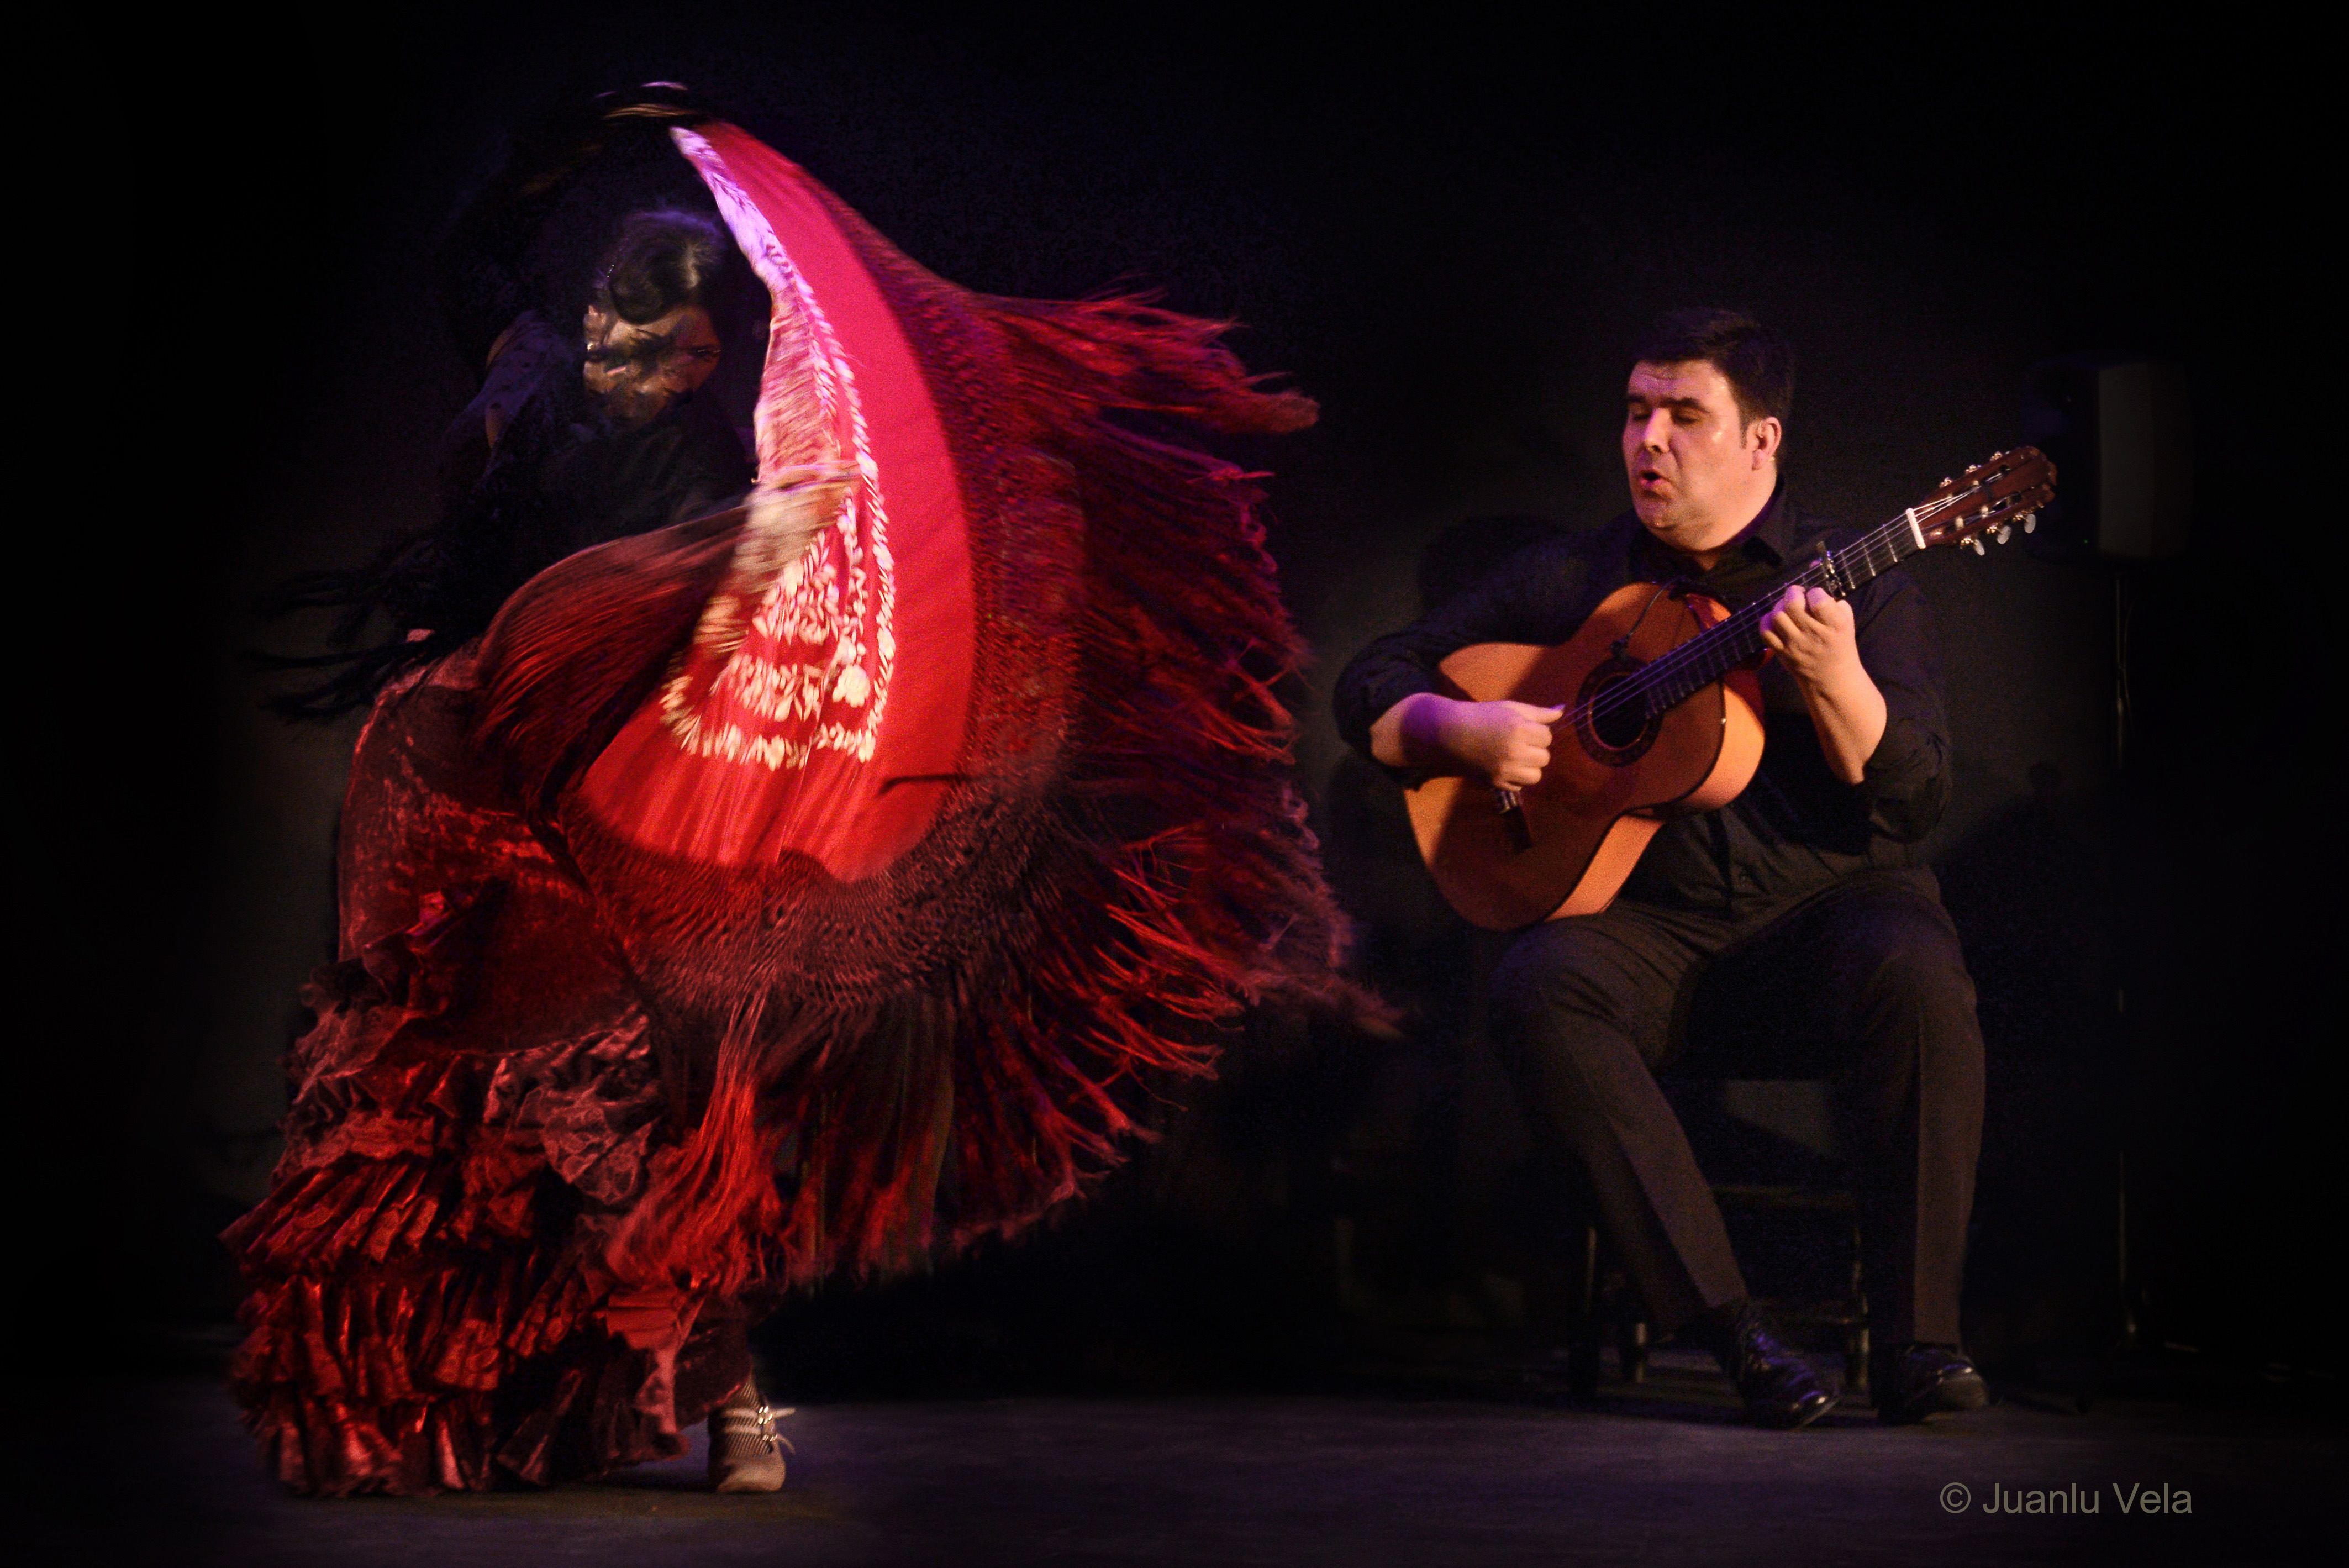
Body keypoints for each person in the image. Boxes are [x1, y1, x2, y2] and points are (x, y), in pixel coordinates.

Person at [230, 91, 1362, 1497]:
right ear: (601, 321)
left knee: (631, 1083)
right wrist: (559, 151)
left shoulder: (725, 466)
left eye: (694, 345)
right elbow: (472, 262)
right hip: (451, 764)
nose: (660, 362)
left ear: (717, 350)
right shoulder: (526, 368)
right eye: (637, 336)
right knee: (431, 1062)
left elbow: (758, 609)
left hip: (626, 783)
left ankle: (724, 1389)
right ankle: (434, 1401)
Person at [1332, 308, 1989, 1428]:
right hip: (1656, 934)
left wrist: (1835, 681)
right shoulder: (1572, 580)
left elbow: (1915, 799)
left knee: (1919, 973)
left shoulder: (1857, 581)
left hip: (1826, 916)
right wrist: (1459, 728)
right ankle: (1732, 1336)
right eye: (1636, 411)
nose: (1648, 440)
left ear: (1759, 442)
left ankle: (1919, 1345)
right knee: (1537, 987)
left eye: (1684, 416)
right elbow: (1370, 680)